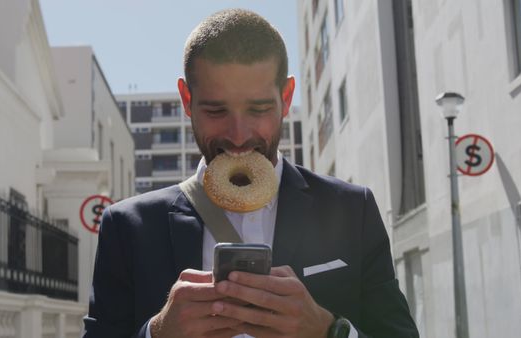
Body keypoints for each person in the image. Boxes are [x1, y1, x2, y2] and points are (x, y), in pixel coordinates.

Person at [83, 8, 419, 338]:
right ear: (187, 99)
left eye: (259, 109)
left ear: (286, 98)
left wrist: (328, 330)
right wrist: (157, 333)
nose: (239, 136)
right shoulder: (128, 227)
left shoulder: (350, 210)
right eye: (216, 110)